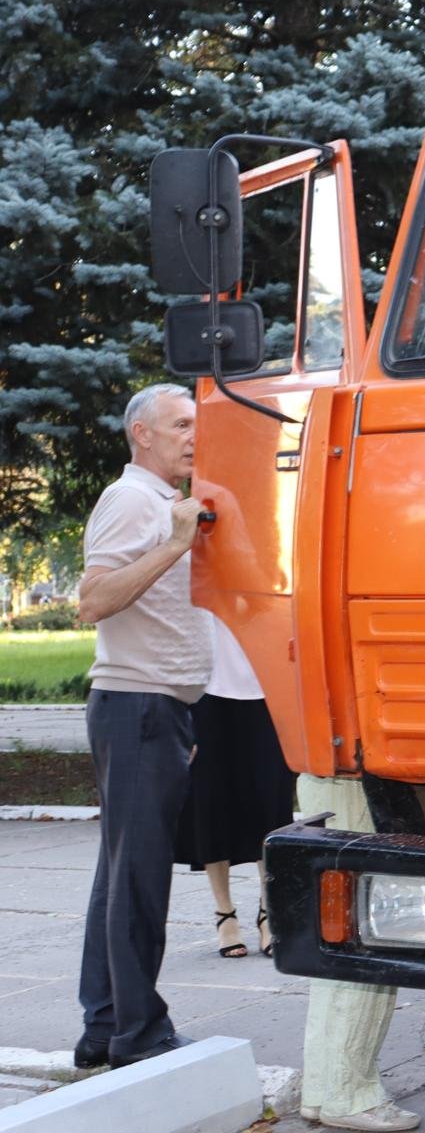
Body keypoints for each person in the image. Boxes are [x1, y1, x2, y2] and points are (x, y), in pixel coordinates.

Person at [72, 382, 214, 1069]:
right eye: (181, 423)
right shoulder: (132, 500)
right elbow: (92, 600)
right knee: (139, 879)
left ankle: (104, 1027)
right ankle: (140, 1034)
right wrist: (177, 544)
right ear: (142, 434)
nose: (194, 434)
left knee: (120, 874)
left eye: (198, 423)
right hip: (137, 706)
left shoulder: (164, 502)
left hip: (155, 708)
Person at [297, 774, 420, 1132]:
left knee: (338, 940)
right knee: (370, 934)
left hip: (324, 773)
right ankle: (351, 1094)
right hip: (355, 778)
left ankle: (323, 1089)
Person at [173, 616, 296, 959]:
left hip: (271, 689)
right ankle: (224, 913)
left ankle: (268, 911)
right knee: (212, 803)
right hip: (205, 693)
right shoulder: (192, 561)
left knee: (271, 802)